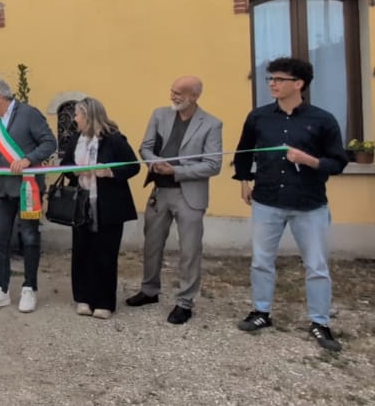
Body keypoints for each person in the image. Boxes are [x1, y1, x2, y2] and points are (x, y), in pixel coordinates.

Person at [233, 57, 347, 352]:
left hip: (309, 204)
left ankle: (320, 322)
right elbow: (244, 152)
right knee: (261, 260)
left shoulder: (323, 120)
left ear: (299, 84)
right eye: (270, 79)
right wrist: (245, 181)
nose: (272, 83)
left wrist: (309, 160)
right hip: (267, 200)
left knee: (317, 266)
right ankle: (261, 312)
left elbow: (338, 162)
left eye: (278, 79)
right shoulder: (258, 117)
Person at [125, 76, 223, 324]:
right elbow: (145, 147)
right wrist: (154, 162)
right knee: (152, 244)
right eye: (172, 91)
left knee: (189, 249)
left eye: (179, 93)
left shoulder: (211, 124)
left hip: (189, 194)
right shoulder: (160, 115)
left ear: (194, 96)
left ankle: (184, 302)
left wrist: (177, 171)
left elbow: (213, 165)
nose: (173, 96)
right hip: (160, 190)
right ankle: (149, 291)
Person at [0, 79, 56, 313]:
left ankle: (29, 288)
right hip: (1, 191)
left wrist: (28, 159)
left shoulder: (29, 114)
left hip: (27, 188)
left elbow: (50, 143)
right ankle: (1, 289)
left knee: (29, 238)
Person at [61, 97, 140, 319]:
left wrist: (110, 173)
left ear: (89, 116)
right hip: (81, 204)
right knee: (82, 251)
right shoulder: (76, 138)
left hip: (109, 205)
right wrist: (73, 171)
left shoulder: (113, 139)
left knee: (105, 253)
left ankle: (104, 301)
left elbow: (133, 166)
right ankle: (83, 298)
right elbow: (66, 167)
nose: (74, 119)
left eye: (77, 114)